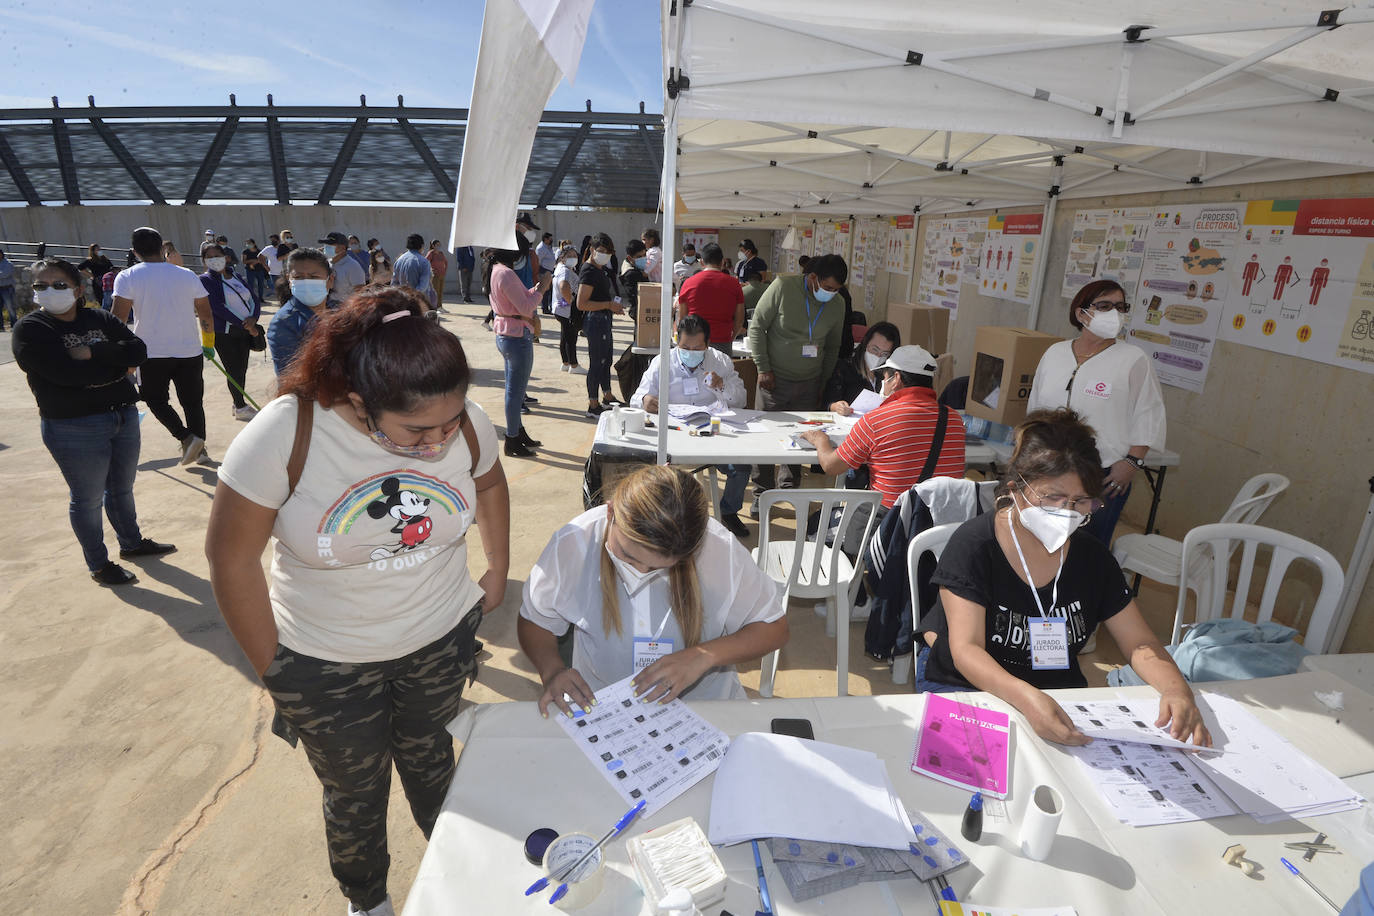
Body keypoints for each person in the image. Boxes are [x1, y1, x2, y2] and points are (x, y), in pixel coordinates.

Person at [206, 288, 510, 916]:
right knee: (355, 792)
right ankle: (367, 900)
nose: (438, 443)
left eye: (450, 425)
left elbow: (490, 480)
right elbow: (230, 560)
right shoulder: (286, 433)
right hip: (326, 662)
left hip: (438, 641)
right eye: (417, 431)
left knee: (437, 772)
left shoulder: (464, 422)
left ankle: (465, 877)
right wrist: (276, 669)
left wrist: (498, 568)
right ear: (355, 398)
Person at [915, 409, 1209, 748]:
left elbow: (1140, 643)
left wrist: (1177, 690)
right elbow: (967, 650)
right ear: (1016, 488)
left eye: (1081, 501)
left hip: (1054, 693)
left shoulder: (1091, 557)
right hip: (969, 687)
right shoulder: (975, 545)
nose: (1067, 511)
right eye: (1052, 497)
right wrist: (1026, 699)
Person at [519, 465, 787, 714]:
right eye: (627, 555)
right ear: (611, 512)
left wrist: (703, 656)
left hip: (704, 709)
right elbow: (535, 620)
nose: (641, 572)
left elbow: (773, 628)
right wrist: (552, 670)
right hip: (603, 706)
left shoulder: (719, 549)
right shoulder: (572, 544)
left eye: (660, 568)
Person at [13, 258, 175, 585]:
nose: (48, 291)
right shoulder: (31, 329)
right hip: (73, 426)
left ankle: (131, 543)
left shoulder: (98, 317)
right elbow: (63, 374)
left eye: (58, 285)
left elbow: (138, 351)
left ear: (76, 289)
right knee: (87, 499)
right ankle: (100, 564)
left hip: (123, 415)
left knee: (121, 489)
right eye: (40, 286)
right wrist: (115, 364)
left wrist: (95, 352)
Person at [1027, 279, 1165, 546]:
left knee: (1085, 547)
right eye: (1104, 306)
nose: (1114, 313)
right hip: (1049, 467)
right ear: (1081, 313)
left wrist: (1132, 463)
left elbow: (1148, 413)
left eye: (1120, 306)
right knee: (1041, 542)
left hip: (1101, 475)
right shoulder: (1055, 353)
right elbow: (1034, 408)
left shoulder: (1133, 359)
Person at [630, 315, 752, 538]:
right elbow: (636, 398)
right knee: (648, 466)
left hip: (714, 433)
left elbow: (741, 400)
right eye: (685, 346)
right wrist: (646, 400)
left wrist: (721, 385)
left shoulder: (720, 361)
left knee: (742, 466)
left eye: (698, 348)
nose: (690, 352)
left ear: (708, 343)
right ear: (677, 340)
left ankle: (729, 511)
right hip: (675, 434)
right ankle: (661, 515)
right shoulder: (662, 362)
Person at [803, 345, 965, 512]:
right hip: (939, 525)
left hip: (888, 525)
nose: (883, 381)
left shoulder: (876, 420)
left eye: (884, 376)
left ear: (896, 379)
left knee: (817, 523)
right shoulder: (955, 420)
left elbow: (831, 466)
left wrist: (820, 440)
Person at [113, 227, 215, 467]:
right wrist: (208, 342)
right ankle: (200, 450)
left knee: (154, 399)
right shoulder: (187, 275)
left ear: (134, 251)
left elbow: (117, 320)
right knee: (192, 402)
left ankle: (186, 437)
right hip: (189, 350)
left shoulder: (127, 276)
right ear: (162, 248)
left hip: (150, 353)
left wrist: (121, 356)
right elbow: (205, 312)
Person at [747, 253, 849, 496]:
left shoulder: (837, 304)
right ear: (812, 277)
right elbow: (757, 326)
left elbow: (833, 346)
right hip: (774, 379)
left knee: (802, 438)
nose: (831, 293)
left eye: (836, 289)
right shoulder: (783, 287)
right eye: (827, 287)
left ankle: (789, 490)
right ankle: (762, 491)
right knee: (767, 438)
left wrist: (823, 382)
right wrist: (763, 368)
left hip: (810, 381)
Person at [488, 237, 549, 457]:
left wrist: (536, 288)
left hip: (507, 333)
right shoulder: (506, 273)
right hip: (516, 335)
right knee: (516, 392)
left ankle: (518, 431)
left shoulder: (497, 270)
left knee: (513, 390)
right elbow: (526, 306)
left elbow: (520, 297)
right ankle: (512, 439)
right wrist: (542, 289)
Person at [200, 242, 263, 421]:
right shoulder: (205, 280)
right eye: (209, 257)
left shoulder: (235, 275)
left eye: (217, 256)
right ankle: (241, 406)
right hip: (226, 333)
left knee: (241, 369)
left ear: (226, 257)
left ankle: (238, 403)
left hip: (244, 329)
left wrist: (254, 319)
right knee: (233, 370)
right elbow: (217, 307)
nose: (214, 260)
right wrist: (245, 323)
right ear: (204, 261)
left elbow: (253, 298)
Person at [267, 248, 337, 375]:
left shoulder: (339, 311)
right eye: (298, 277)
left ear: (330, 280)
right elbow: (292, 377)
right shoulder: (283, 324)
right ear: (290, 280)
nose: (306, 282)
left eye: (314, 277)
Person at [577, 233, 624, 417]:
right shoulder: (588, 270)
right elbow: (582, 303)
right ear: (591, 249)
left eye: (608, 252)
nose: (605, 255)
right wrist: (608, 305)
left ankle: (607, 396)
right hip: (595, 321)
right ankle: (593, 404)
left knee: (606, 361)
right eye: (601, 251)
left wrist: (612, 307)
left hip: (603, 320)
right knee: (596, 363)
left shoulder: (599, 269)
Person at [676, 242, 744, 353]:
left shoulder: (688, 283)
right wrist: (731, 338)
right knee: (721, 370)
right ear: (722, 262)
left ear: (702, 262)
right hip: (723, 341)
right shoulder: (734, 284)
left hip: (695, 343)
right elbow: (739, 320)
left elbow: (682, 317)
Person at [825, 321, 900, 416]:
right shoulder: (845, 367)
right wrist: (837, 407)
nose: (878, 356)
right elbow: (829, 402)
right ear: (865, 343)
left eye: (884, 354)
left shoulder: (889, 374)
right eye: (874, 349)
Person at [552, 244, 582, 372]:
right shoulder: (564, 270)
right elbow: (564, 286)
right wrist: (570, 301)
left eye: (575, 256)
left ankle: (565, 363)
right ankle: (573, 365)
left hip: (561, 308)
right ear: (562, 257)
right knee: (571, 338)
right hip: (566, 309)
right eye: (569, 256)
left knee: (565, 336)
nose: (573, 258)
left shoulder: (562, 268)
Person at [321, 231, 367, 303]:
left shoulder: (353, 266)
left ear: (342, 248)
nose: (326, 247)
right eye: (325, 244)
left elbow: (360, 293)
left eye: (330, 245)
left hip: (345, 308)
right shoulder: (327, 263)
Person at [392, 234, 435, 307]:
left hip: (402, 302)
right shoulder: (423, 262)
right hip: (419, 303)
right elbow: (423, 286)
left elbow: (394, 284)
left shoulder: (399, 261)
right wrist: (412, 297)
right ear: (422, 246)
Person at [620, 239, 649, 321]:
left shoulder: (632, 266)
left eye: (644, 255)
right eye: (639, 257)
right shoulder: (631, 274)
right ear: (630, 258)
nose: (644, 258)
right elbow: (636, 296)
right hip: (640, 311)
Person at [242, 238, 269, 302]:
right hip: (249, 271)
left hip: (259, 270)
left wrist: (255, 262)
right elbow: (244, 261)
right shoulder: (245, 251)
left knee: (261, 284)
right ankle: (252, 299)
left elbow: (263, 259)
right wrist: (252, 260)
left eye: (249, 243)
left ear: (254, 244)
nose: (248, 245)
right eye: (247, 243)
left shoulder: (259, 251)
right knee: (250, 285)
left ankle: (261, 298)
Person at [426, 240, 449, 307]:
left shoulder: (441, 253)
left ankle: (439, 306)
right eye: (437, 245)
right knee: (435, 292)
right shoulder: (431, 253)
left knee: (440, 292)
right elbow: (425, 262)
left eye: (439, 245)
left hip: (442, 275)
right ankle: (434, 306)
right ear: (433, 246)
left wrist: (444, 270)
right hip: (435, 275)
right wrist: (431, 270)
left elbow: (446, 262)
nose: (438, 246)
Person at [0, 249, 16, 331]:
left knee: (10, 308)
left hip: (7, 288)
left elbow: (5, 274)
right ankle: (1, 327)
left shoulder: (8, 264)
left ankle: (14, 325)